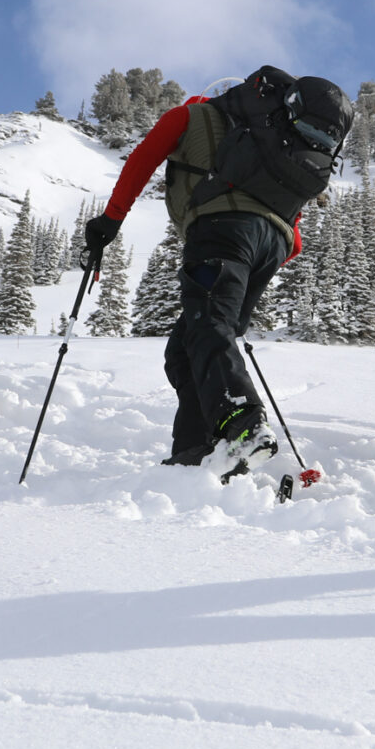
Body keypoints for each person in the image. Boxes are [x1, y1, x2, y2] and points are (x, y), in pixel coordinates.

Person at [82, 69, 353, 475]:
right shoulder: (270, 143)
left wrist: (109, 222)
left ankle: (242, 422)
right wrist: (255, 257)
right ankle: (198, 454)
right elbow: (294, 243)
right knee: (186, 348)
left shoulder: (190, 117)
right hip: (269, 247)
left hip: (221, 233)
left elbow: (142, 161)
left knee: (209, 326)